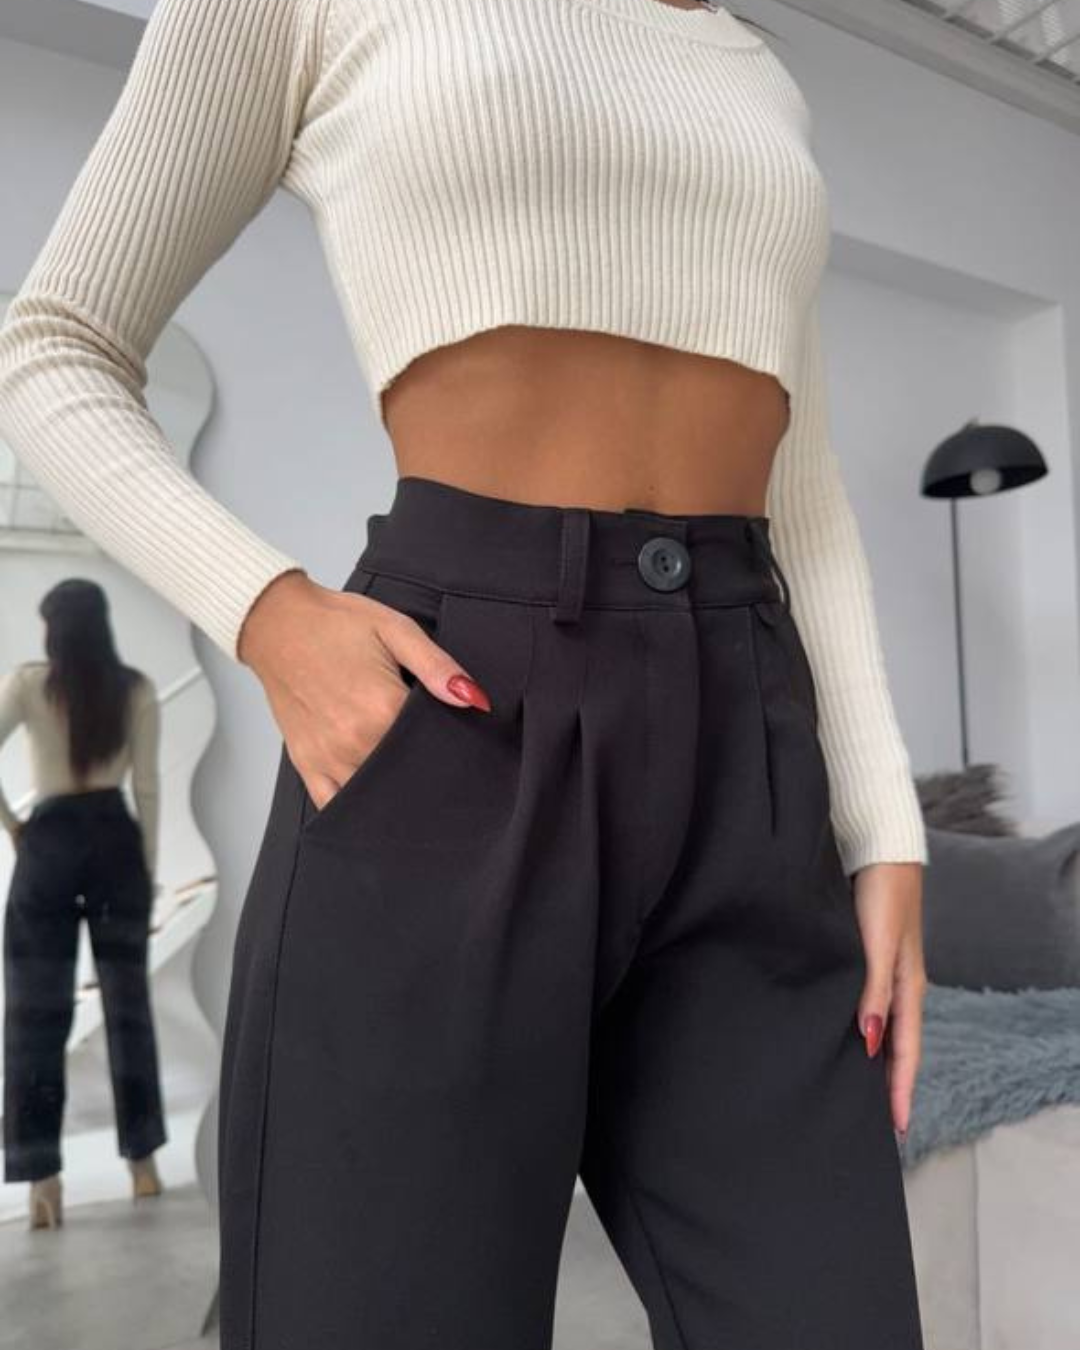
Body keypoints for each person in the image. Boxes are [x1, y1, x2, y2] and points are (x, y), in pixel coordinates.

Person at [0, 0, 929, 1343]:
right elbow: (56, 343)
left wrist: (883, 821)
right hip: (458, 719)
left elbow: (803, 489)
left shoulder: (748, 64)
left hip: (750, 746)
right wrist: (269, 613)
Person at [0, 580, 166, 1229]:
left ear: (53, 629)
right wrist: (146, 873)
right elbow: (147, 789)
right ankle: (143, 1164)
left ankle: (42, 1179)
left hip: (48, 845)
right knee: (129, 1011)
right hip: (115, 845)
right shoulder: (136, 688)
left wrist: (13, 826)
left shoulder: (29, 684)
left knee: (34, 1013)